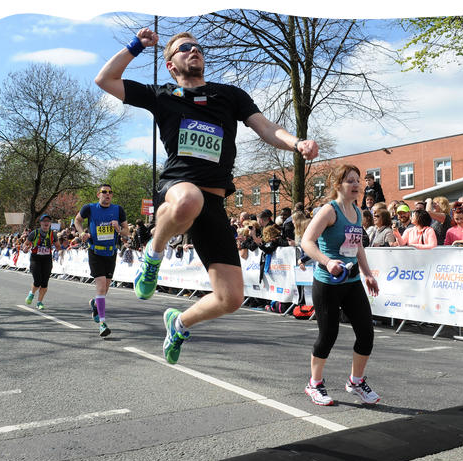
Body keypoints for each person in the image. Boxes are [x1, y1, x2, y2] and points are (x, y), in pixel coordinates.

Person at [95, 28, 318, 364]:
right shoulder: (162, 95)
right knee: (188, 199)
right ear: (171, 65)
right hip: (177, 188)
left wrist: (296, 143)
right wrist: (136, 46)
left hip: (213, 203)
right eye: (184, 48)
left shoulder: (229, 95)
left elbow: (265, 127)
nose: (194, 50)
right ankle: (153, 258)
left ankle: (180, 323)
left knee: (231, 298)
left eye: (197, 47)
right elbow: (105, 79)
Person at [300, 164, 380, 406]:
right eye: (350, 181)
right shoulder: (329, 211)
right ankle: (314, 384)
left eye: (358, 181)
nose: (356, 185)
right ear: (338, 185)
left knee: (366, 333)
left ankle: (355, 381)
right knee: (328, 335)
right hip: (327, 282)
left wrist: (367, 274)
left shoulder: (356, 211)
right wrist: (327, 261)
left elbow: (358, 248)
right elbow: (307, 241)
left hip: (352, 281)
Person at [74, 184, 130, 337]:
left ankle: (95, 303)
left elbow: (127, 232)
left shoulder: (118, 210)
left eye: (110, 192)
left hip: (110, 253)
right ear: (98, 194)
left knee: (105, 288)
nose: (108, 195)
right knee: (100, 287)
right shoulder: (89, 208)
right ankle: (102, 323)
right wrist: (81, 233)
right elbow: (77, 220)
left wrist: (118, 228)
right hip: (95, 252)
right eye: (104, 192)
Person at [20, 214, 63, 310]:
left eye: (48, 221)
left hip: (47, 259)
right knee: (37, 280)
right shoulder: (34, 233)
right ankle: (31, 294)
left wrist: (60, 251)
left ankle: (39, 302)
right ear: (41, 223)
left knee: (44, 282)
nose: (46, 223)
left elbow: (58, 246)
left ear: (50, 223)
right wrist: (25, 249)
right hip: (36, 258)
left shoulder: (53, 234)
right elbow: (25, 244)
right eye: (44, 221)